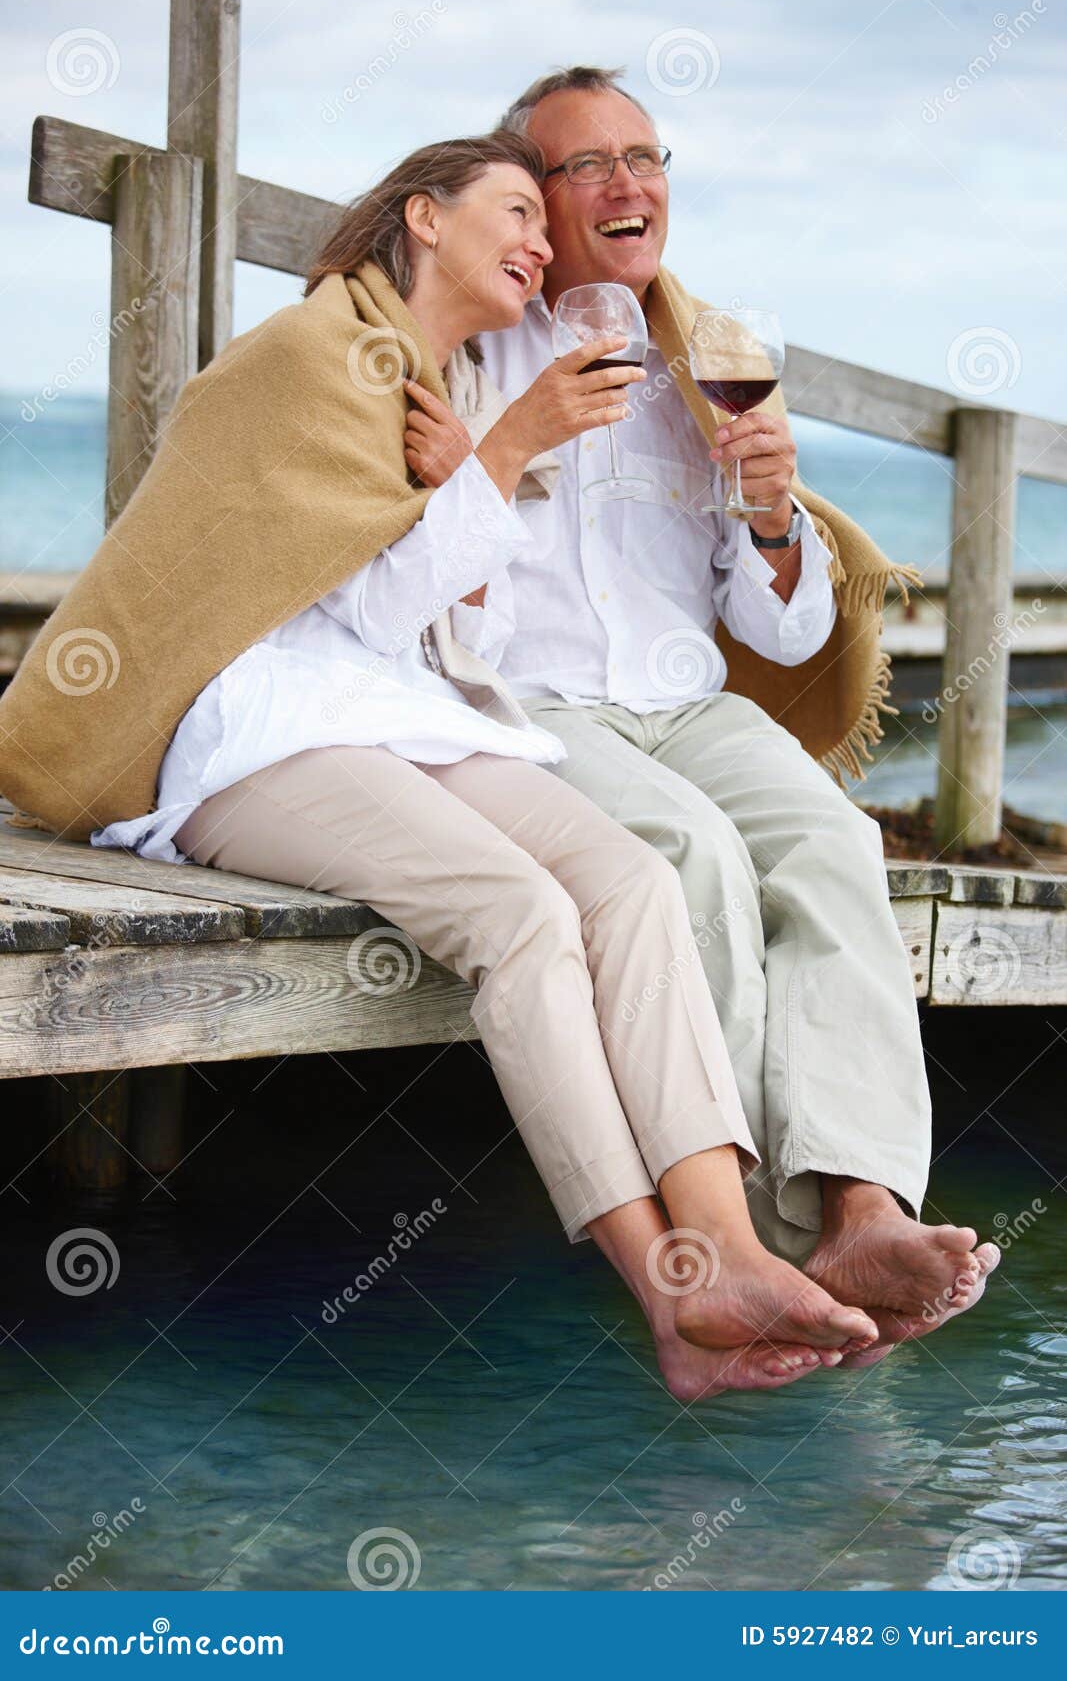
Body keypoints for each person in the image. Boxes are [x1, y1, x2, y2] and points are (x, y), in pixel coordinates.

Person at [11, 131, 890, 1400]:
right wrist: (499, 458)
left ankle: (731, 1243)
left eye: (547, 223)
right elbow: (348, 605)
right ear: (422, 219)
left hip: (404, 713)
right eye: (519, 210)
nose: (541, 242)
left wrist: (473, 471)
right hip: (262, 730)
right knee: (523, 914)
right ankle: (669, 1292)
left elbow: (452, 635)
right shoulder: (314, 353)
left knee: (634, 880)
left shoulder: (454, 389)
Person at [400, 73, 1000, 1367]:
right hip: (536, 708)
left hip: (691, 699)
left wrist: (774, 518)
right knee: (692, 861)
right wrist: (512, 439)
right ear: (528, 202)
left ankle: (858, 1206)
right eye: (585, 168)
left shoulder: (708, 356)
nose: (628, 187)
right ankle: (750, 1241)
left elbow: (777, 633)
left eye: (644, 157)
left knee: (835, 846)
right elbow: (416, 590)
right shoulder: (458, 349)